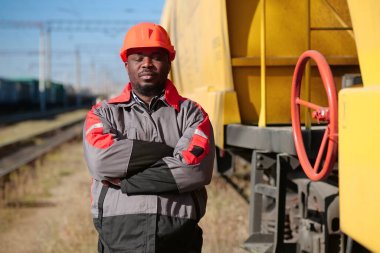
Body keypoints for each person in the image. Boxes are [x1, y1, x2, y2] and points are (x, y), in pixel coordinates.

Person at [83, 22, 215, 253]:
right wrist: (169, 152)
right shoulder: (102, 113)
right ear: (126, 65)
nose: (147, 64)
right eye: (138, 58)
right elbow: (102, 161)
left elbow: (195, 169)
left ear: (168, 63)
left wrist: (127, 182)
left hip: (178, 236)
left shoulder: (193, 114)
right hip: (119, 237)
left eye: (156, 56)